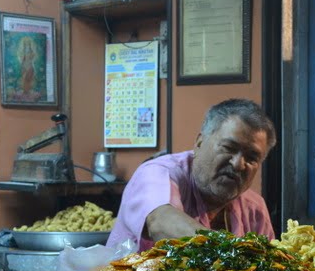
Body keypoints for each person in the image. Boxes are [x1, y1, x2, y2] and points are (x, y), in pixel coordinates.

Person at [107, 99, 276, 250]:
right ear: (199, 142)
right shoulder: (157, 173)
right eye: (229, 148)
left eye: (252, 157)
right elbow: (160, 222)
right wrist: (232, 256)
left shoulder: (254, 208)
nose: (238, 164)